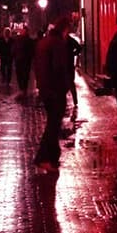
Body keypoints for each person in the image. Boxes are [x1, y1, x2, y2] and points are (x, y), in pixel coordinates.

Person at [33, 16, 72, 171]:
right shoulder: (57, 44)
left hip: (46, 89)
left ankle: (53, 156)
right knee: (53, 125)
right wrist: (64, 86)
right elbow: (59, 68)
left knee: (53, 123)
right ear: (65, 29)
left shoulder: (44, 42)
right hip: (55, 90)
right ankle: (43, 157)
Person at [13, 26, 35, 96]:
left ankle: (22, 88)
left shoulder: (20, 40)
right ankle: (23, 88)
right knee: (23, 74)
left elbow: (31, 51)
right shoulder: (22, 40)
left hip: (22, 60)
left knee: (22, 74)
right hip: (23, 60)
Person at [66, 32, 83, 107]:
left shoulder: (69, 40)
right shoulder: (70, 40)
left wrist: (72, 54)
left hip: (68, 64)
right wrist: (73, 54)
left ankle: (75, 101)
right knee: (70, 83)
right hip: (68, 64)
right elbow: (79, 48)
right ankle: (75, 101)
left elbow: (79, 48)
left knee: (70, 83)